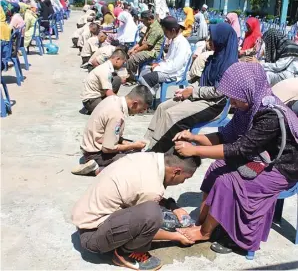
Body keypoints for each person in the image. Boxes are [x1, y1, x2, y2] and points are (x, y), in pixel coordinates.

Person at [173, 62, 298, 254]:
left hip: (283, 167)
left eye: (235, 99)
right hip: (262, 155)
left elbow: (239, 149)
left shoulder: (269, 115)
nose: (232, 103)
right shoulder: (248, 106)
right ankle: (204, 220)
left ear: (248, 91)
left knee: (227, 181)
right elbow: (226, 136)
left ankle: (206, 232)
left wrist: (195, 151)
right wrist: (194, 138)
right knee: (216, 167)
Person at [72, 150, 201, 270]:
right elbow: (147, 223)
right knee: (153, 214)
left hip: (86, 219)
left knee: (154, 211)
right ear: (176, 172)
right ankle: (124, 254)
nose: (183, 182)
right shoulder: (152, 188)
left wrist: (172, 205)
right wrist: (177, 236)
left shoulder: (148, 159)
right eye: (186, 178)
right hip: (93, 237)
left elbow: (139, 192)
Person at [144, 23, 238, 153]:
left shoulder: (230, 65)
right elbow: (201, 81)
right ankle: (148, 143)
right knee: (162, 107)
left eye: (213, 38)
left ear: (221, 40)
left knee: (171, 115)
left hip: (214, 104)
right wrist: (186, 90)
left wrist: (192, 92)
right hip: (200, 97)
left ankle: (158, 151)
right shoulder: (214, 57)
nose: (209, 40)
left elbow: (218, 92)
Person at [72, 85, 153, 175]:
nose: (141, 112)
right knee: (135, 162)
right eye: (142, 109)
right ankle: (96, 170)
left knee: (134, 150)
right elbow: (108, 148)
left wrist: (125, 142)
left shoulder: (113, 99)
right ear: (134, 104)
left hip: (91, 145)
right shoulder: (117, 114)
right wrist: (133, 146)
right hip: (95, 154)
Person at [139, 16, 191, 95]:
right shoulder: (175, 40)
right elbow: (168, 59)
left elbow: (175, 66)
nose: (165, 35)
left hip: (174, 73)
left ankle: (147, 98)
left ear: (173, 30)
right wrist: (159, 64)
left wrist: (158, 67)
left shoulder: (182, 44)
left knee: (147, 78)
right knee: (145, 70)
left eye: (165, 32)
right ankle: (145, 97)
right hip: (169, 69)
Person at [80, 49, 127, 114]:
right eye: (123, 62)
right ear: (117, 59)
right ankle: (94, 108)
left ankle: (109, 102)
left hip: (98, 96)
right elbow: (109, 93)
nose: (122, 65)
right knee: (115, 109)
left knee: (117, 79)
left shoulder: (107, 66)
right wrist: (123, 102)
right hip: (91, 100)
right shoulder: (105, 70)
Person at [127, 11, 164, 80]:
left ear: (149, 19)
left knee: (132, 59)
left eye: (143, 21)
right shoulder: (149, 27)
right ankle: (132, 75)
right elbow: (141, 42)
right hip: (147, 49)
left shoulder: (156, 29)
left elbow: (148, 45)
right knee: (129, 53)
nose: (143, 23)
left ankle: (132, 77)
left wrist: (136, 51)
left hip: (152, 52)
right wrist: (133, 49)